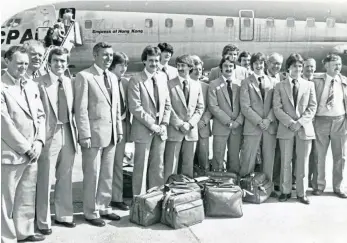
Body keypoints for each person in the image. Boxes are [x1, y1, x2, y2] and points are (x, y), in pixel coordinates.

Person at [74, 42, 123, 227]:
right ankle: (90, 211)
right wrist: (84, 134)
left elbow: (116, 108)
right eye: (104, 55)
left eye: (110, 55)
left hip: (111, 134)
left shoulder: (111, 77)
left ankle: (103, 206)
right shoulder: (84, 76)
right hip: (93, 135)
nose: (108, 58)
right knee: (92, 174)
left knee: (107, 174)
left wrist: (118, 129)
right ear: (95, 55)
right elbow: (81, 109)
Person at [1, 46, 46, 242]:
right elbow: (4, 123)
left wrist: (39, 141)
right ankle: (6, 237)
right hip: (11, 151)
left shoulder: (30, 84)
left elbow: (41, 115)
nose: (23, 67)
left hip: (32, 150)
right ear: (6, 61)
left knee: (26, 196)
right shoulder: (2, 87)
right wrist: (26, 148)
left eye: (26, 64)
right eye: (19, 63)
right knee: (6, 200)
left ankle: (24, 232)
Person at [35, 47, 78, 235]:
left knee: (66, 175)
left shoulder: (69, 82)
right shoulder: (39, 83)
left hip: (68, 131)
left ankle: (64, 215)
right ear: (49, 63)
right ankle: (43, 221)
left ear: (66, 63)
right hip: (48, 135)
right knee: (45, 178)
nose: (59, 64)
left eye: (63, 61)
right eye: (56, 61)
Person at [273, 53, 317, 204]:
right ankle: (285, 191)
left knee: (302, 163)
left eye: (300, 66)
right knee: (286, 162)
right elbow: (277, 108)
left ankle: (301, 193)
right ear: (288, 68)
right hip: (286, 129)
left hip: (304, 129)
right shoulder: (279, 86)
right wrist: (290, 122)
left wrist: (300, 123)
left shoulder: (309, 85)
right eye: (294, 66)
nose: (298, 69)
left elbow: (312, 107)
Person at [128, 45, 171, 195]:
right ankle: (139, 200)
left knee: (157, 166)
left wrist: (164, 123)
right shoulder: (136, 80)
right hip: (144, 130)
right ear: (144, 61)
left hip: (161, 130)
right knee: (141, 166)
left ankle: (155, 198)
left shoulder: (163, 77)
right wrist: (152, 125)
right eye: (151, 60)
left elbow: (167, 103)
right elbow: (135, 107)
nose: (154, 64)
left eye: (157, 61)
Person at [239, 53, 278, 198]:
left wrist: (268, 120)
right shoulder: (246, 82)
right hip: (253, 126)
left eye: (261, 63)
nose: (258, 65)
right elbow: (245, 106)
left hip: (269, 126)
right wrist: (259, 121)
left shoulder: (273, 82)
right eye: (256, 63)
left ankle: (267, 188)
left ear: (265, 64)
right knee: (248, 159)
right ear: (252, 65)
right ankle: (244, 188)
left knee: (269, 159)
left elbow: (276, 105)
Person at [311, 54, 347, 199]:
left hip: (340, 122)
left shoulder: (344, 81)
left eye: (339, 64)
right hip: (321, 121)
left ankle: (339, 187)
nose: (338, 67)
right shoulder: (317, 81)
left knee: (341, 156)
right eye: (334, 64)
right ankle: (319, 185)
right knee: (319, 155)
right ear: (326, 65)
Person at [164, 55, 204, 180]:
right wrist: (180, 124)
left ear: (190, 67)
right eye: (178, 65)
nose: (180, 68)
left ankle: (186, 195)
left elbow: (200, 108)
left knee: (188, 167)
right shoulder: (169, 84)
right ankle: (168, 191)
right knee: (171, 166)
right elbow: (167, 106)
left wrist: (190, 124)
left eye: (183, 65)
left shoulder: (196, 85)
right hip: (175, 130)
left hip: (191, 132)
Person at [208, 56, 244, 172]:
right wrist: (228, 122)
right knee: (218, 157)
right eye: (225, 66)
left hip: (236, 128)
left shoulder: (240, 84)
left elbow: (244, 105)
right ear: (221, 68)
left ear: (234, 68)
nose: (228, 69)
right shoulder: (214, 84)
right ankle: (216, 182)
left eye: (230, 66)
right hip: (221, 126)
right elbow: (213, 106)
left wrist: (238, 122)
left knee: (234, 158)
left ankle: (233, 183)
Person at [109, 52, 131, 210]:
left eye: (126, 65)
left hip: (122, 125)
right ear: (113, 65)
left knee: (118, 163)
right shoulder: (105, 80)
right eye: (121, 65)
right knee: (105, 165)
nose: (124, 68)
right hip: (107, 127)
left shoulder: (125, 82)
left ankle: (117, 197)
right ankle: (102, 198)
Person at [266, 52, 285, 192]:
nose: (276, 66)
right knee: (265, 154)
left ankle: (276, 180)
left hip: (282, 122)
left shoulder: (284, 78)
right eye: (273, 63)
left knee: (279, 153)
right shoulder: (261, 77)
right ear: (267, 63)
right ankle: (264, 182)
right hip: (266, 122)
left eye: (279, 63)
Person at [190, 55, 212, 173]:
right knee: (188, 161)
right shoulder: (185, 85)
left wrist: (203, 121)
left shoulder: (206, 87)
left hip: (203, 128)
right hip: (189, 129)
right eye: (195, 69)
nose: (198, 72)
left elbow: (210, 107)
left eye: (200, 69)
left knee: (204, 160)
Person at [302, 57, 318, 188]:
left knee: (314, 154)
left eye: (312, 66)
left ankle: (311, 180)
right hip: (301, 123)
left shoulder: (317, 82)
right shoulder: (299, 82)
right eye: (307, 66)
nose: (310, 69)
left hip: (316, 124)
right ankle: (296, 179)